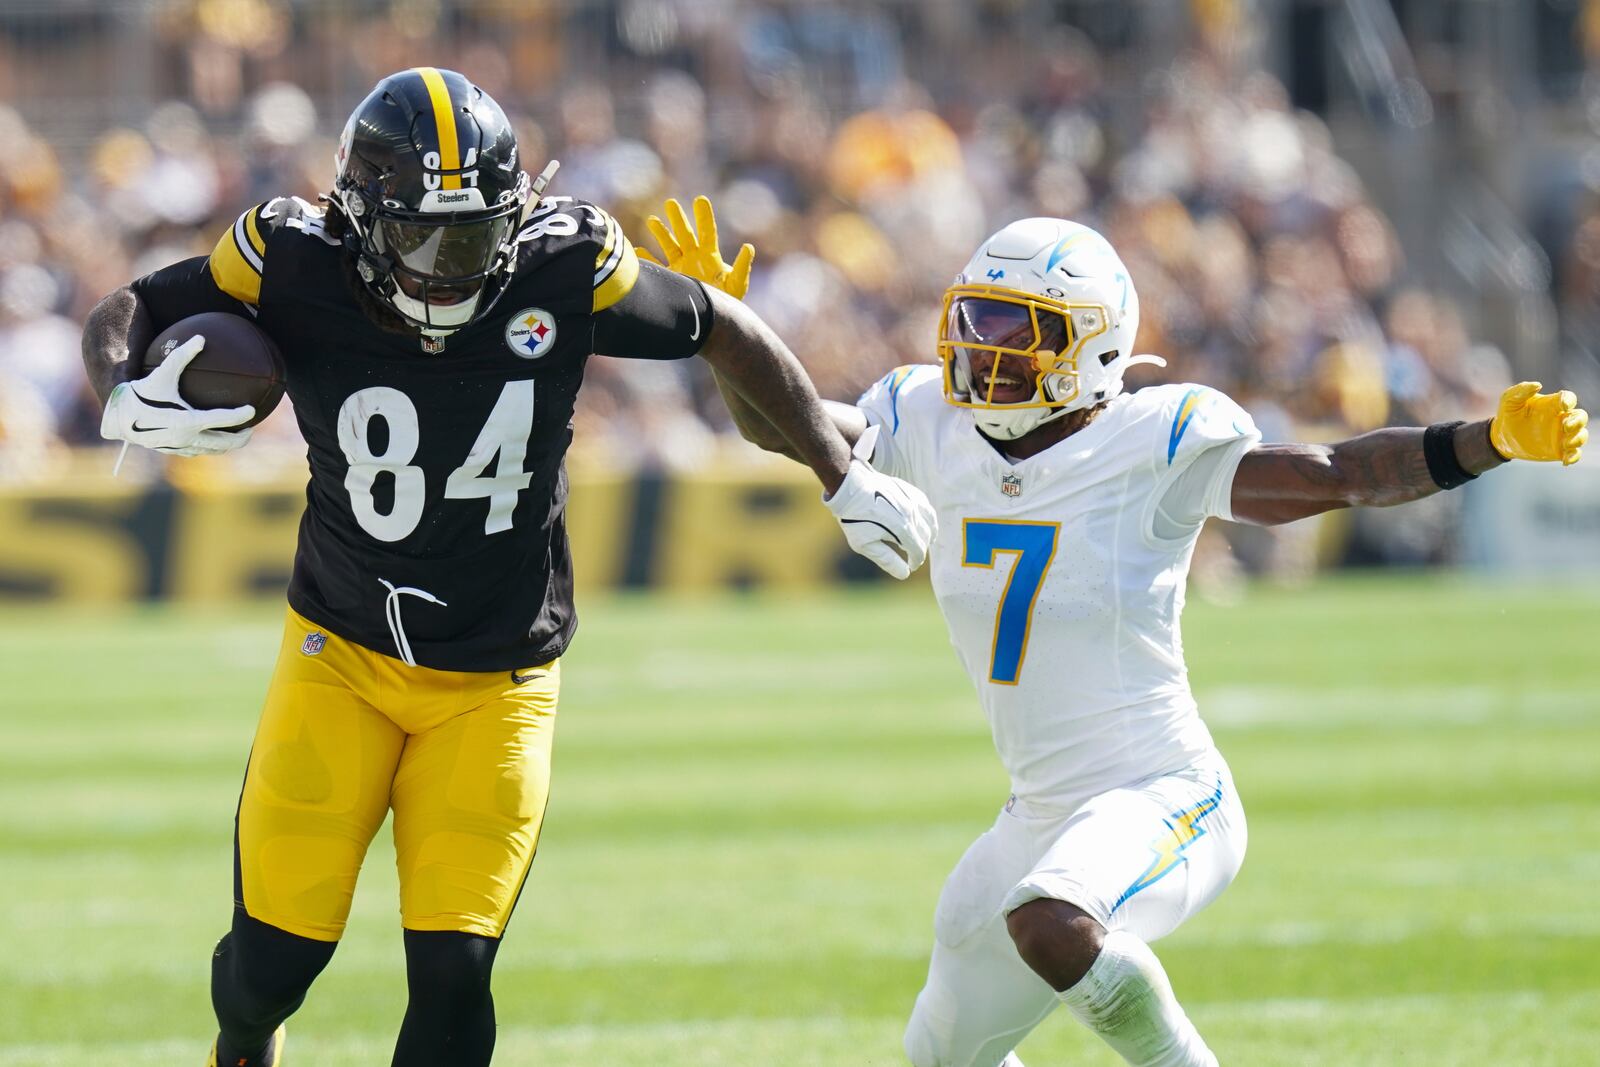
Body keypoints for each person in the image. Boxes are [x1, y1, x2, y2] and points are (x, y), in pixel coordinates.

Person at [80, 70, 936, 1067]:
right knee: (268, 966)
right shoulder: (289, 253)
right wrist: (119, 388)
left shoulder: (565, 261)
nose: (451, 268)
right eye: (424, 239)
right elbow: (133, 303)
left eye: (476, 237)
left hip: (498, 680)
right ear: (358, 219)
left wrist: (838, 472)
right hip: (340, 653)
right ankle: (248, 1036)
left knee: (453, 976)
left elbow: (723, 327)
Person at [644, 197, 1589, 1067]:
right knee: (940, 1052)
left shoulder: (1150, 438)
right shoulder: (927, 415)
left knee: (1052, 918)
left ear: (1090, 346)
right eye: (976, 319)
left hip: (1164, 790)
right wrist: (732, 338)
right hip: (1040, 809)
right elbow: (789, 430)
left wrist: (1484, 442)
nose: (984, 348)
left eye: (1018, 329)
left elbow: (1336, 471)